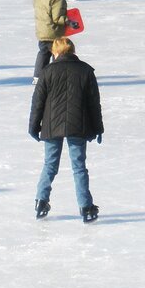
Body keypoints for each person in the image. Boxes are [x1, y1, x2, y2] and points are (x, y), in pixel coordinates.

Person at [28, 37, 104, 222]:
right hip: (78, 124)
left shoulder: (47, 71)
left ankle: (41, 201)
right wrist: (98, 127)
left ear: (55, 52)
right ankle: (86, 208)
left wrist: (33, 126)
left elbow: (38, 102)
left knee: (50, 165)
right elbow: (94, 103)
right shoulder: (86, 71)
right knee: (79, 168)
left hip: (51, 125)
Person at [33, 0, 78, 82]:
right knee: (58, 54)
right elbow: (57, 18)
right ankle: (56, 77)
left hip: (42, 31)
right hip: (54, 32)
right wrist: (70, 22)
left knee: (43, 53)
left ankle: (37, 77)